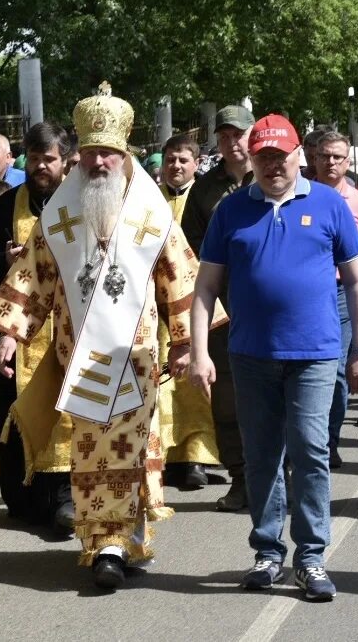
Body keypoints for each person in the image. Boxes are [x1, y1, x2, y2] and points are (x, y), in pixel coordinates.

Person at [0, 84, 204, 589]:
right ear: (78, 156)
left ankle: (122, 539)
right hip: (79, 356)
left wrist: (187, 342)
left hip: (138, 356)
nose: (99, 161)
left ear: (124, 155)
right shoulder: (61, 213)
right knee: (90, 452)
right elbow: (33, 276)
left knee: (129, 450)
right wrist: (9, 336)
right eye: (90, 152)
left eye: (108, 152)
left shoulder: (151, 212)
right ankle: (101, 541)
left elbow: (179, 278)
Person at [190, 113, 358, 602]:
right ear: (253, 159)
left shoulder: (330, 204)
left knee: (311, 450)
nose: (273, 166)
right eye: (263, 157)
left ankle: (311, 557)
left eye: (281, 157)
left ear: (298, 157)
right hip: (250, 355)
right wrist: (200, 353)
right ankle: (268, 551)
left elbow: (356, 280)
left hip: (314, 354)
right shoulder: (231, 211)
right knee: (262, 454)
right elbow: (205, 287)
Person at [0, 121, 75, 530]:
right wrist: (5, 259)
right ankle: (22, 494)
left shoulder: (80, 204)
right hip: (14, 332)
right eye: (34, 159)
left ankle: (65, 498)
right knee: (15, 412)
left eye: (48, 159)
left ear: (65, 162)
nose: (40, 167)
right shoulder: (4, 207)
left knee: (64, 412)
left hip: (64, 328)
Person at [179, 104, 255, 512]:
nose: (232, 143)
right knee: (226, 400)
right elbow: (188, 250)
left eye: (238, 134)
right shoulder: (204, 190)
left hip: (267, 308)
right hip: (223, 310)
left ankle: (283, 477)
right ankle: (241, 478)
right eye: (224, 136)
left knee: (275, 396)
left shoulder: (273, 177)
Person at [155, 133, 221, 488]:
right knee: (164, 383)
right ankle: (164, 455)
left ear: (196, 163)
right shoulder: (149, 200)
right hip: (158, 304)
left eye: (183, 160)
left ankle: (195, 456)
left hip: (197, 300)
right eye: (170, 160)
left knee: (195, 382)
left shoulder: (205, 198)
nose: (176, 166)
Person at [314, 132, 358, 459]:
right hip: (309, 289)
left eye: (338, 157)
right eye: (325, 155)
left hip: (342, 291)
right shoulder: (301, 196)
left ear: (348, 161)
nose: (331, 163)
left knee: (337, 368)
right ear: (314, 158)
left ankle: (330, 441)